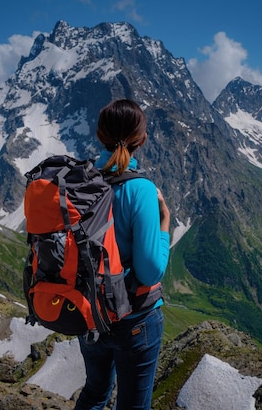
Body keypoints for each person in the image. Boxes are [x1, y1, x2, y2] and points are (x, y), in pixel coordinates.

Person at [74, 98, 171, 410]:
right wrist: (165, 224)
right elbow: (150, 271)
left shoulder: (80, 183)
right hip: (135, 320)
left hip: (89, 313)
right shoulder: (140, 189)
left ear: (99, 136)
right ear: (141, 140)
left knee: (94, 393)